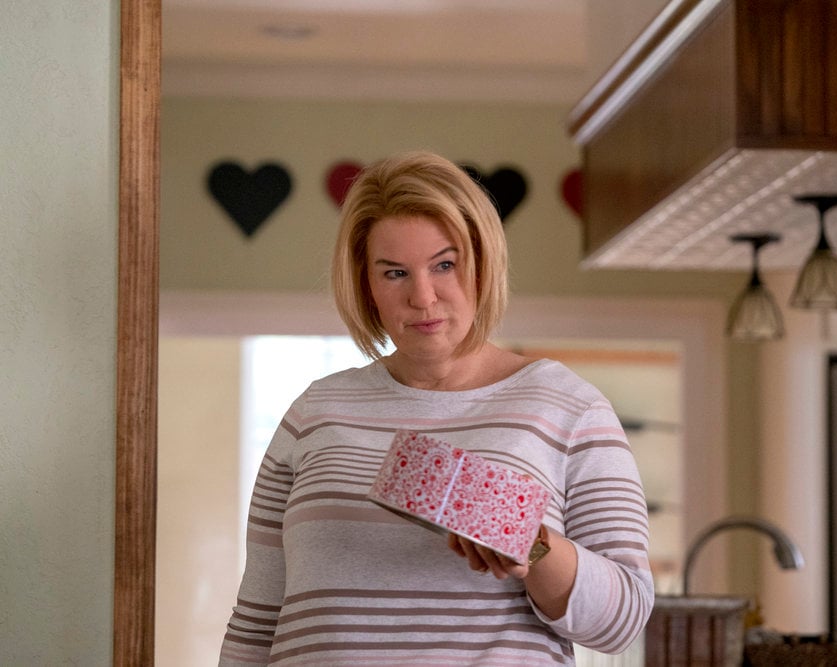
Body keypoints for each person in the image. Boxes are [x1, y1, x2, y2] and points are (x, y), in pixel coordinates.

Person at [220, 150, 654, 666]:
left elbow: (623, 619)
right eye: (395, 272)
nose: (422, 298)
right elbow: (257, 619)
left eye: (444, 265)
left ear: (482, 266)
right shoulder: (315, 411)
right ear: (367, 285)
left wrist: (531, 543)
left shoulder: (570, 408)